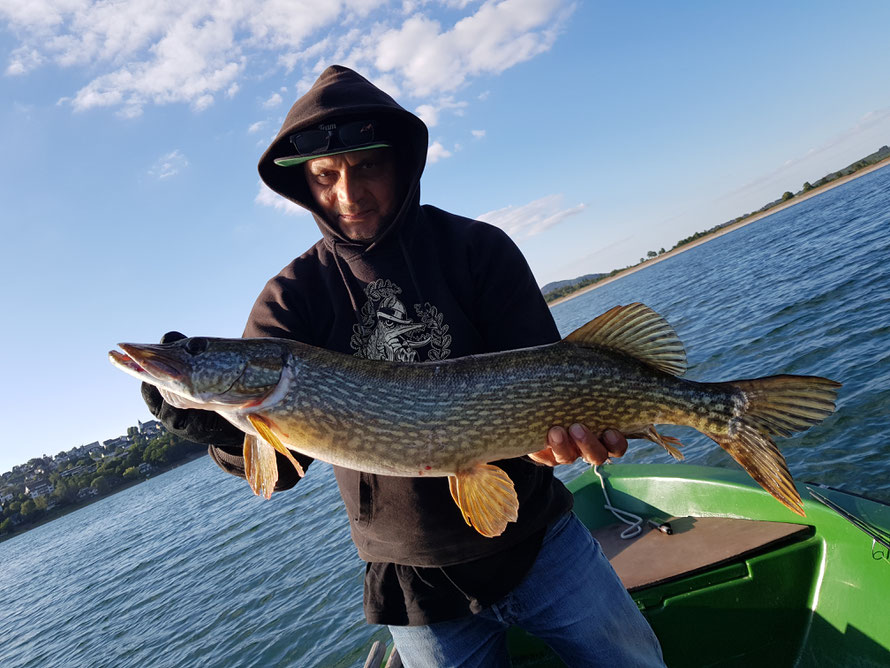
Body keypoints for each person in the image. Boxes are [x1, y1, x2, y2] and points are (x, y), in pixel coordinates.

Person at [143, 65, 664, 667]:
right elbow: (280, 471)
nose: (348, 194)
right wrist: (220, 430)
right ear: (305, 186)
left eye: (367, 167)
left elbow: (551, 380)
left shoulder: (477, 250)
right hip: (415, 586)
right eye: (326, 176)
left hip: (543, 545)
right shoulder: (290, 300)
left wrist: (573, 439)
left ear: (402, 162)